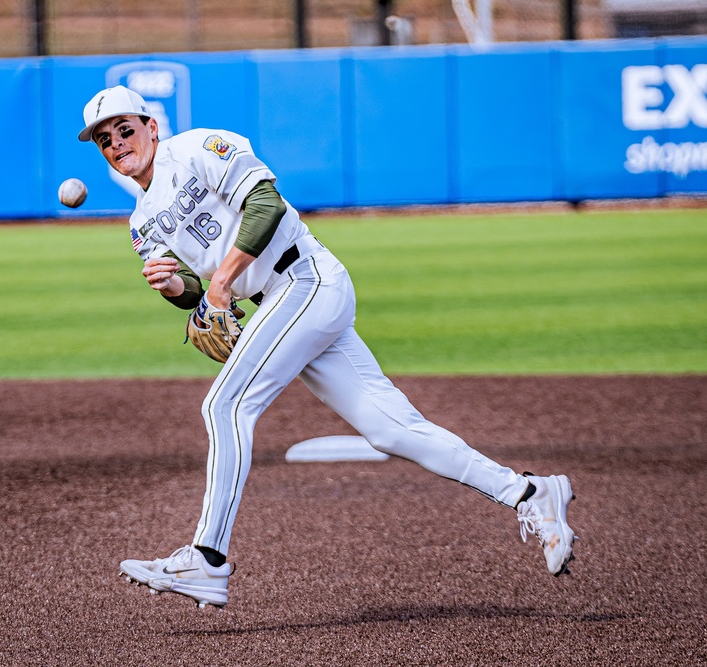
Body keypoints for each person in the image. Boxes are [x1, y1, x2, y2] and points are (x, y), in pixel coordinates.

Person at [78, 85, 577, 609]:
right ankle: (529, 492)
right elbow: (198, 297)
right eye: (104, 139)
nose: (116, 143)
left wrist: (221, 284)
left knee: (223, 405)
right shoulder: (141, 222)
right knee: (392, 429)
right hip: (283, 300)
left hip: (306, 280)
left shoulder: (199, 147)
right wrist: (179, 289)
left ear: (151, 126)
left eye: (125, 128)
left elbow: (265, 205)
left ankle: (208, 558)